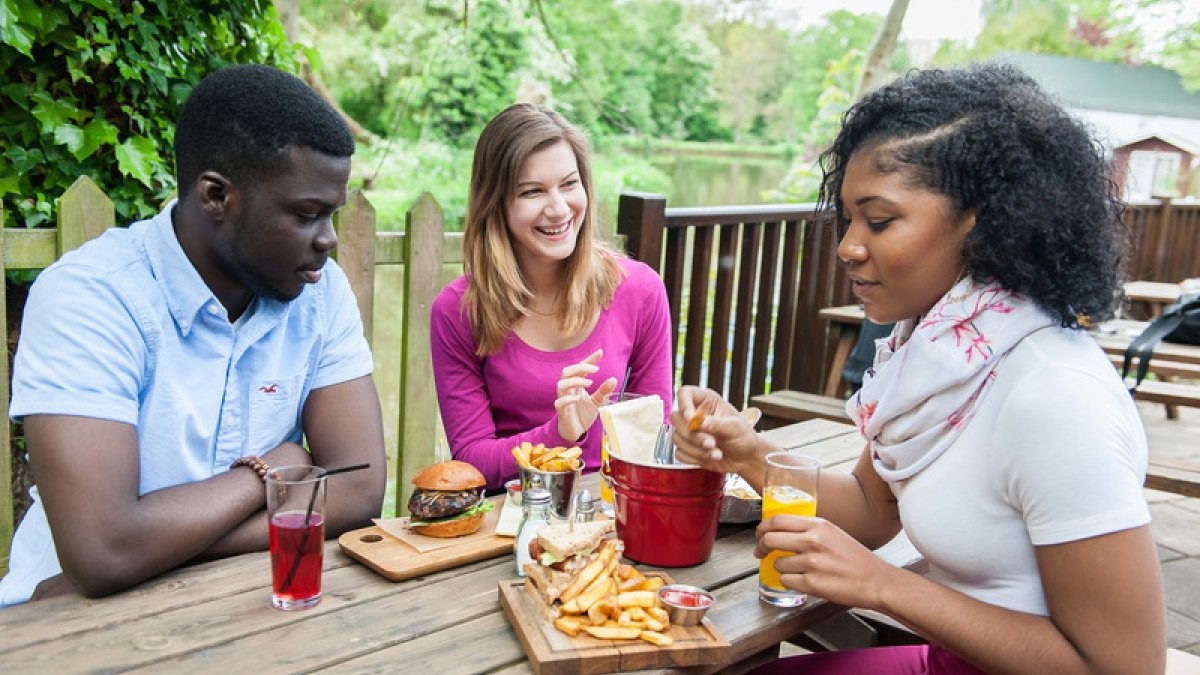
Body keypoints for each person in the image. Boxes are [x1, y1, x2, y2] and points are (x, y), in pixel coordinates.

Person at [672, 63, 1166, 674]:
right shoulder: (947, 354)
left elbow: (1124, 667)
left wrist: (881, 585)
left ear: (980, 219)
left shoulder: (1054, 397)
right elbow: (871, 510)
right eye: (848, 220)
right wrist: (747, 453)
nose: (848, 246)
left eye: (879, 221)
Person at [0, 64, 387, 605]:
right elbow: (103, 551)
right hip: (67, 621)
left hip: (244, 605)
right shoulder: (91, 297)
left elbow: (359, 490)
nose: (327, 239)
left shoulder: (320, 294)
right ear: (216, 196)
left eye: (332, 215)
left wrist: (149, 547)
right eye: (306, 214)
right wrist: (271, 471)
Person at [431, 103, 673, 491]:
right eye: (532, 191)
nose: (559, 209)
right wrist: (559, 434)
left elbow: (653, 432)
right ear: (496, 203)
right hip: (511, 511)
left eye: (569, 184)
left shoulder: (640, 289)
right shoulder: (458, 310)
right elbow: (472, 460)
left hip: (611, 505)